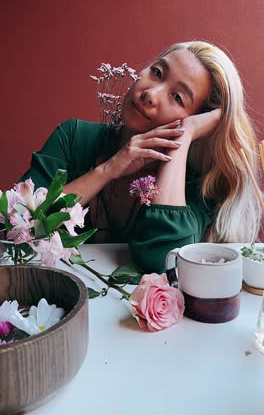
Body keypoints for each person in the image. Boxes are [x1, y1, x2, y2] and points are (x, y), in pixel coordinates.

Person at [18, 40, 262, 272]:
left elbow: (162, 260)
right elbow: (16, 228)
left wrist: (184, 135)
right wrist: (107, 171)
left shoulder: (196, 184)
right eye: (157, 72)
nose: (151, 94)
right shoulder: (73, 137)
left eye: (177, 97)